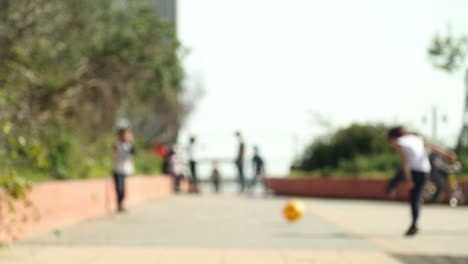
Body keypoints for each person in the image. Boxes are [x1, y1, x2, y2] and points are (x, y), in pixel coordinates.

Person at [387, 126, 456, 236]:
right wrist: (447, 154)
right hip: (425, 170)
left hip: (413, 171)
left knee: (404, 180)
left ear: (393, 137)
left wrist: (409, 180)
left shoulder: (399, 142)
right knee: (416, 196)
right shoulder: (417, 138)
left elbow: (405, 162)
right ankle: (415, 223)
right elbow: (433, 147)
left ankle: (391, 188)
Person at [112, 127, 136, 212]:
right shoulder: (117, 144)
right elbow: (116, 154)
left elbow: (134, 153)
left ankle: (121, 204)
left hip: (125, 169)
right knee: (119, 188)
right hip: (117, 169)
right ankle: (119, 204)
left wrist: (130, 142)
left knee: (123, 189)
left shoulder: (130, 146)